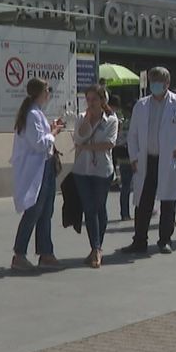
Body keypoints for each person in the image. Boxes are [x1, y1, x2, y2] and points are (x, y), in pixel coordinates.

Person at [120, 67, 176, 255]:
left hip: (169, 160)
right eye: (152, 81)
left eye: (159, 81)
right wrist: (134, 157)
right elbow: (132, 134)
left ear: (167, 84)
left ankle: (165, 240)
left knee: (168, 202)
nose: (155, 85)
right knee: (143, 203)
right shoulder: (141, 105)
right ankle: (139, 240)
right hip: (146, 160)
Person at [11, 78, 64, 271]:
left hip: (45, 167)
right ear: (41, 93)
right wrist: (55, 133)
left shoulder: (37, 113)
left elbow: (40, 137)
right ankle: (19, 253)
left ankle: (45, 252)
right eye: (47, 90)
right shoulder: (32, 114)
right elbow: (39, 143)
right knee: (34, 211)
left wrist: (50, 129)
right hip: (37, 170)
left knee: (46, 211)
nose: (49, 93)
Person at [72, 84, 118, 268]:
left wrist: (87, 147)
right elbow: (78, 138)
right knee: (89, 208)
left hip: (102, 170)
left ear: (102, 101)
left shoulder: (111, 120)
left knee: (100, 207)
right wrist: (88, 121)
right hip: (82, 170)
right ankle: (95, 247)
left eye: (94, 99)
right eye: (88, 99)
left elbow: (108, 144)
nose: (90, 103)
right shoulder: (81, 118)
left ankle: (97, 246)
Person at [110, 95, 134, 221]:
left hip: (121, 154)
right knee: (134, 185)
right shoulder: (134, 124)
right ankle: (139, 210)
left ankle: (124, 213)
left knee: (125, 185)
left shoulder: (122, 122)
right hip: (131, 155)